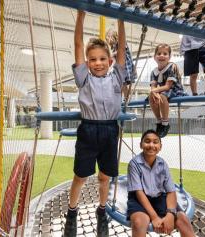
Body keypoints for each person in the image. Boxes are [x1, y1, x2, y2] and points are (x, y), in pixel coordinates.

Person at [63, 10, 127, 237]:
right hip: (88, 130)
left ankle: (102, 212)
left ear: (110, 61)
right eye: (93, 59)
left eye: (102, 59)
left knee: (104, 176)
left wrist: (121, 19)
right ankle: (72, 213)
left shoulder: (117, 77)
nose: (97, 63)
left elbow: (121, 49)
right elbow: (78, 45)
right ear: (87, 63)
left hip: (110, 130)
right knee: (80, 176)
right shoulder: (84, 78)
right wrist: (80, 15)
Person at [127, 129, 195, 237]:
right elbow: (139, 193)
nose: (151, 145)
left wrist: (170, 214)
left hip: (159, 197)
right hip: (139, 199)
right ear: (141, 145)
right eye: (147, 141)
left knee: (183, 219)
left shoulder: (162, 164)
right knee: (139, 222)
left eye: (155, 142)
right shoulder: (134, 164)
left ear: (160, 147)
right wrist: (154, 217)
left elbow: (171, 191)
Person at [149, 43, 186, 138]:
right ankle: (159, 121)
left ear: (169, 57)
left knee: (161, 96)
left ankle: (165, 123)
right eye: (159, 53)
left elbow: (168, 86)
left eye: (165, 54)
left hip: (174, 90)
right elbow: (153, 86)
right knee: (151, 96)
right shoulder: (153, 72)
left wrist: (155, 91)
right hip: (161, 91)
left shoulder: (171, 67)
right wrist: (153, 92)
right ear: (154, 57)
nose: (161, 55)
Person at [106, 29, 137, 101]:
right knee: (119, 84)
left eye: (109, 39)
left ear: (114, 37)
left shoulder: (121, 42)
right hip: (119, 67)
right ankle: (118, 99)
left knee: (123, 84)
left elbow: (121, 51)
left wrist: (112, 55)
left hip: (125, 66)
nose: (109, 41)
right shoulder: (113, 46)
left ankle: (126, 98)